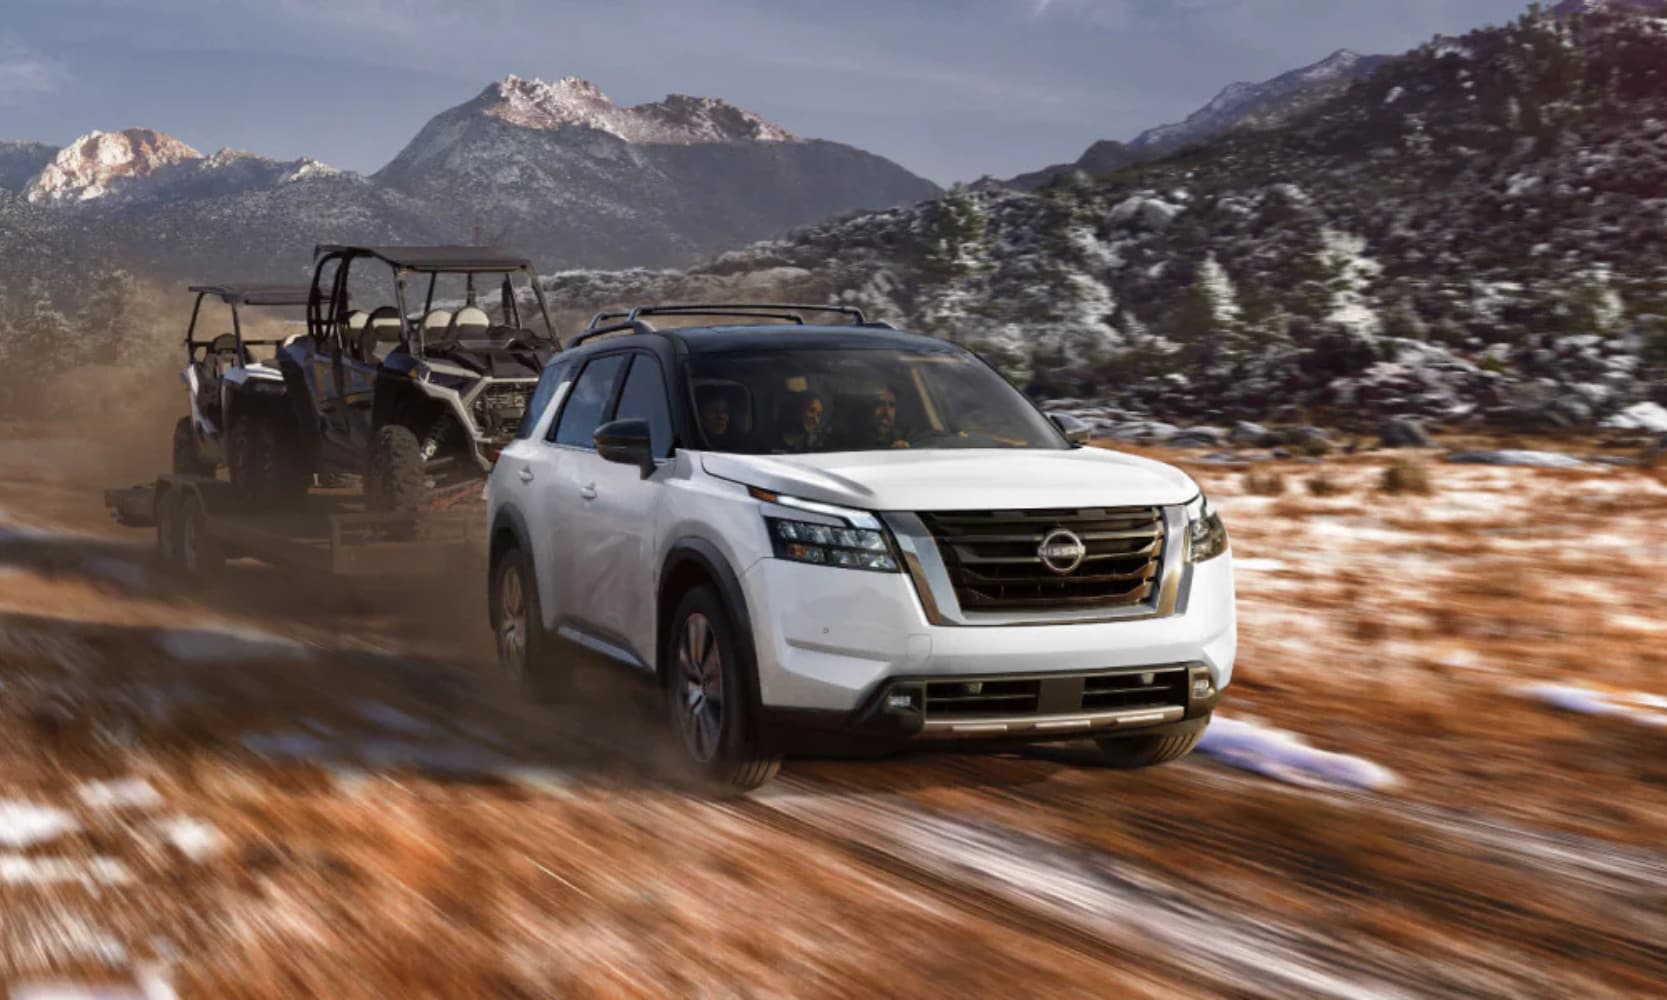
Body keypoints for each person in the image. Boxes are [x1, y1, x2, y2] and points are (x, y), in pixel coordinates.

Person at [857, 384, 909, 449]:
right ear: (869, 408)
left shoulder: (903, 441)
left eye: (892, 405)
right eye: (880, 404)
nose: (887, 411)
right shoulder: (852, 444)